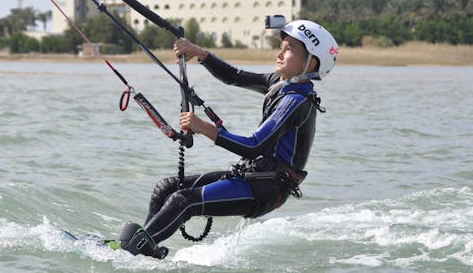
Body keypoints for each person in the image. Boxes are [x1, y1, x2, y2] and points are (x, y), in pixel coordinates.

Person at [116, 20, 339, 259]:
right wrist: (200, 53)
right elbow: (234, 76)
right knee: (166, 188)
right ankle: (143, 248)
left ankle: (134, 250)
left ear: (311, 63)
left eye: (289, 49)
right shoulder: (279, 84)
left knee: (183, 201)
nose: (280, 53)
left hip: (266, 189)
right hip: (251, 175)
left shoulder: (296, 101)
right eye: (282, 46)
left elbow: (253, 146)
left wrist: (203, 127)